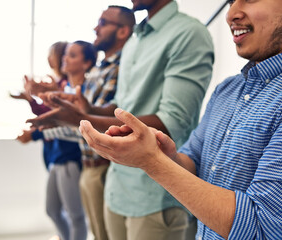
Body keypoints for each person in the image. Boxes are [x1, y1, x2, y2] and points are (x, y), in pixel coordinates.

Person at [79, 0, 282, 239]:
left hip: (152, 202)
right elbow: (192, 161)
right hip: (122, 189)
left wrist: (152, 162)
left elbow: (262, 225)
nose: (231, 14)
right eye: (231, 2)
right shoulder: (226, 90)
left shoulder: (188, 34)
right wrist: (158, 153)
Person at [27, 0, 214, 239]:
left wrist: (81, 118)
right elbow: (122, 109)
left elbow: (173, 121)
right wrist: (88, 108)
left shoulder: (188, 33)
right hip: (117, 186)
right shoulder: (135, 41)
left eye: (103, 23)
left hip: (154, 193)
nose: (97, 28)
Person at [38, 6, 135, 240]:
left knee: (90, 225)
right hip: (87, 161)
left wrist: (50, 125)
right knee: (94, 229)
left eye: (103, 23)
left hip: (100, 163)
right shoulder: (100, 71)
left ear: (122, 31)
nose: (96, 27)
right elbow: (88, 113)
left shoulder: (121, 68)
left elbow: (106, 117)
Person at [14, 40, 97, 240]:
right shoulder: (65, 88)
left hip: (70, 156)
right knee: (52, 210)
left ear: (86, 63)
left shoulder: (85, 91)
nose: (63, 59)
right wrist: (34, 100)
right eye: (64, 54)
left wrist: (35, 133)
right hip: (57, 155)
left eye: (71, 55)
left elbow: (74, 127)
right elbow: (56, 120)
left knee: (76, 216)